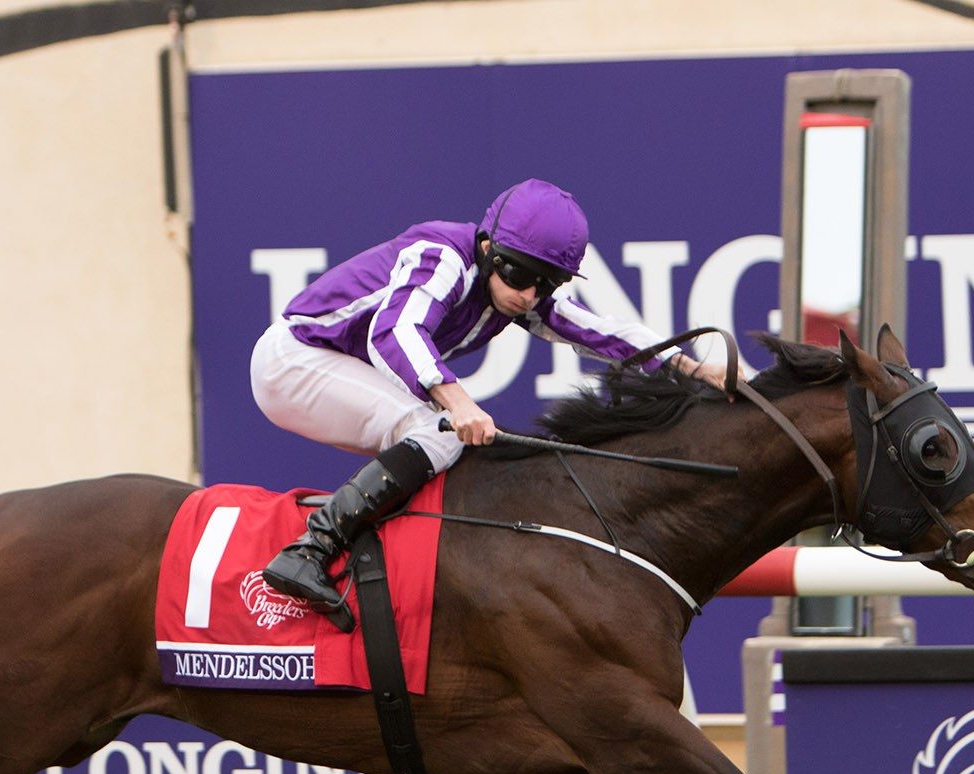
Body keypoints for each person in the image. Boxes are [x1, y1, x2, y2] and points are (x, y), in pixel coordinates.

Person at [252, 178, 721, 619]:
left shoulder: (515, 290)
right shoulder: (442, 257)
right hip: (295, 360)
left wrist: (690, 369)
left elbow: (601, 331)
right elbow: (393, 331)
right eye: (520, 276)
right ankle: (310, 551)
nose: (529, 295)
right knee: (436, 435)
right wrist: (457, 401)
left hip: (334, 365)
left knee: (447, 450)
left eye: (548, 283)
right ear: (486, 247)